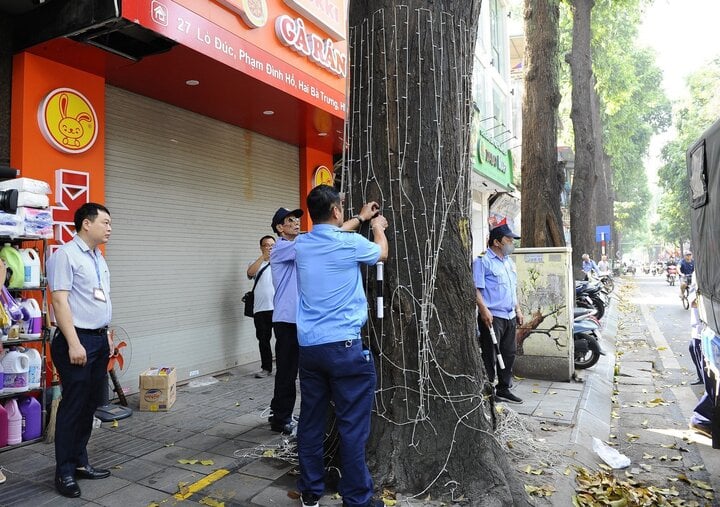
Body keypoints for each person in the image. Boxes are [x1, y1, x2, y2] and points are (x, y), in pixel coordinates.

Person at [294, 185, 387, 507]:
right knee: (352, 428)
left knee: (310, 422)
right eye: (341, 208)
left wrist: (358, 217)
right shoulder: (351, 244)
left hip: (309, 350)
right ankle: (357, 499)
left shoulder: (302, 244)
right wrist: (376, 227)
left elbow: (332, 234)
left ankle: (310, 492)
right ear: (336, 211)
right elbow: (381, 253)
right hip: (345, 350)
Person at [268, 202, 377, 435]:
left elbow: (329, 238)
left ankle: (285, 412)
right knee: (287, 370)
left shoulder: (302, 244)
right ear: (279, 228)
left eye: (297, 219)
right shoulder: (281, 248)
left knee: (296, 370)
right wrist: (361, 217)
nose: (296, 223)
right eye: (289, 221)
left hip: (302, 320)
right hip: (287, 319)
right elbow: (332, 236)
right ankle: (280, 417)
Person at [47, 203, 114, 498]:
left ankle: (80, 462)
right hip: (77, 340)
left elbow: (99, 299)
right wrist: (74, 342)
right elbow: (60, 302)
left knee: (89, 405)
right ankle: (64, 471)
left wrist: (107, 335)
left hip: (98, 340)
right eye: (105, 222)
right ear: (87, 224)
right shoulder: (65, 255)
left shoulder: (98, 257)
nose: (110, 228)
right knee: (74, 405)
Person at [474, 224, 524, 404]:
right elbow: (476, 290)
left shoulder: (509, 262)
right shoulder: (483, 261)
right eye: (508, 240)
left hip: (509, 315)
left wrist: (517, 309)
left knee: (509, 353)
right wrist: (484, 310)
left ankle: (503, 388)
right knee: (490, 355)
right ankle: (488, 391)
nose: (511, 244)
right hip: (492, 317)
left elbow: (512, 289)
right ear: (496, 242)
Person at [247, 235, 276, 378]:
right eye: (266, 245)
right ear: (261, 247)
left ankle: (285, 369)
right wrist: (262, 257)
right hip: (260, 309)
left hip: (279, 308)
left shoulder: (281, 262)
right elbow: (250, 273)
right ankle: (266, 368)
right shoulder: (255, 263)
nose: (270, 247)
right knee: (263, 340)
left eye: (272, 245)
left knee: (283, 341)